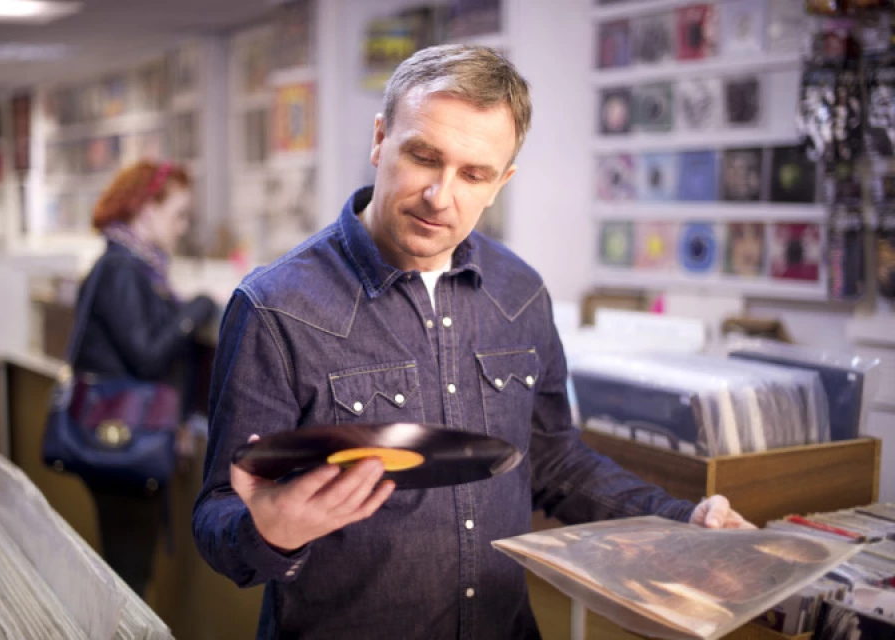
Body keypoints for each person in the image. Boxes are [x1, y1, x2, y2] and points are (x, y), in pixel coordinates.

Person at [193, 45, 750, 639]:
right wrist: (268, 531)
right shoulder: (275, 306)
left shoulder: (521, 293)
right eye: (423, 157)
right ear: (380, 140)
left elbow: (554, 461)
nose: (440, 195)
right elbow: (218, 514)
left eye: (473, 174)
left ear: (500, 182)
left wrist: (683, 518)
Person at [75, 160, 216, 596]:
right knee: (129, 574)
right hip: (122, 439)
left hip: (123, 435)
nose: (182, 227)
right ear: (146, 209)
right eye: (179, 215)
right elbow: (148, 354)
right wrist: (197, 308)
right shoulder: (122, 269)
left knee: (129, 567)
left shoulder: (136, 267)